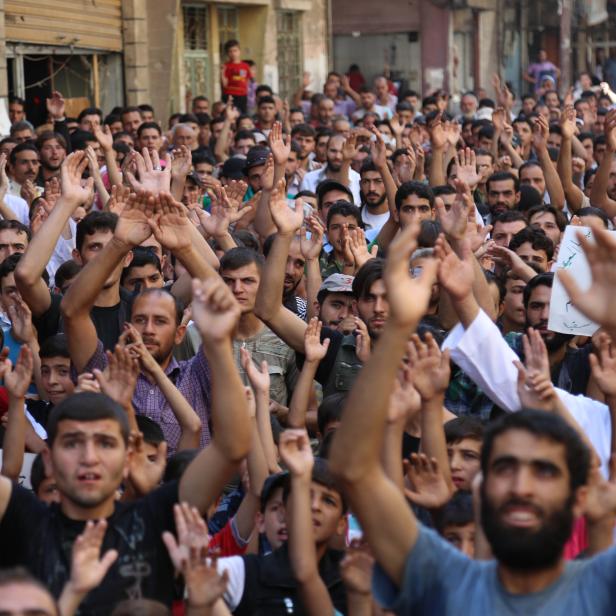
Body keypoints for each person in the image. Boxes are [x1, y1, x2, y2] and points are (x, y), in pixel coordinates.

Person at [0, 275, 251, 613]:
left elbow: (233, 446)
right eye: (73, 443)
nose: (89, 457)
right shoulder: (26, 520)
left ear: (127, 454)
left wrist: (219, 344)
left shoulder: (155, 517)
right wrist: (15, 403)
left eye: (105, 443)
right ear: (50, 455)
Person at [220, 39, 251, 114]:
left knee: (242, 115)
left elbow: (247, 81)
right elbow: (224, 84)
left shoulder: (245, 66)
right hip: (230, 95)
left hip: (242, 96)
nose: (233, 53)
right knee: (230, 115)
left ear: (239, 51)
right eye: (230, 51)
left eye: (235, 50)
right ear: (227, 53)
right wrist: (221, 72)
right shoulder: (226, 66)